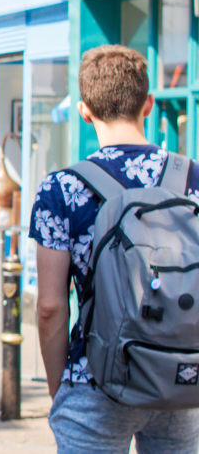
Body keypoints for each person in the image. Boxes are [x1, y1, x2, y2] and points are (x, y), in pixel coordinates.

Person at [32, 45, 199, 453]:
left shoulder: (62, 189)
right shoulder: (192, 178)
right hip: (178, 377)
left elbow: (51, 307)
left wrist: (62, 390)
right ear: (149, 104)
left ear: (85, 111)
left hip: (96, 380)